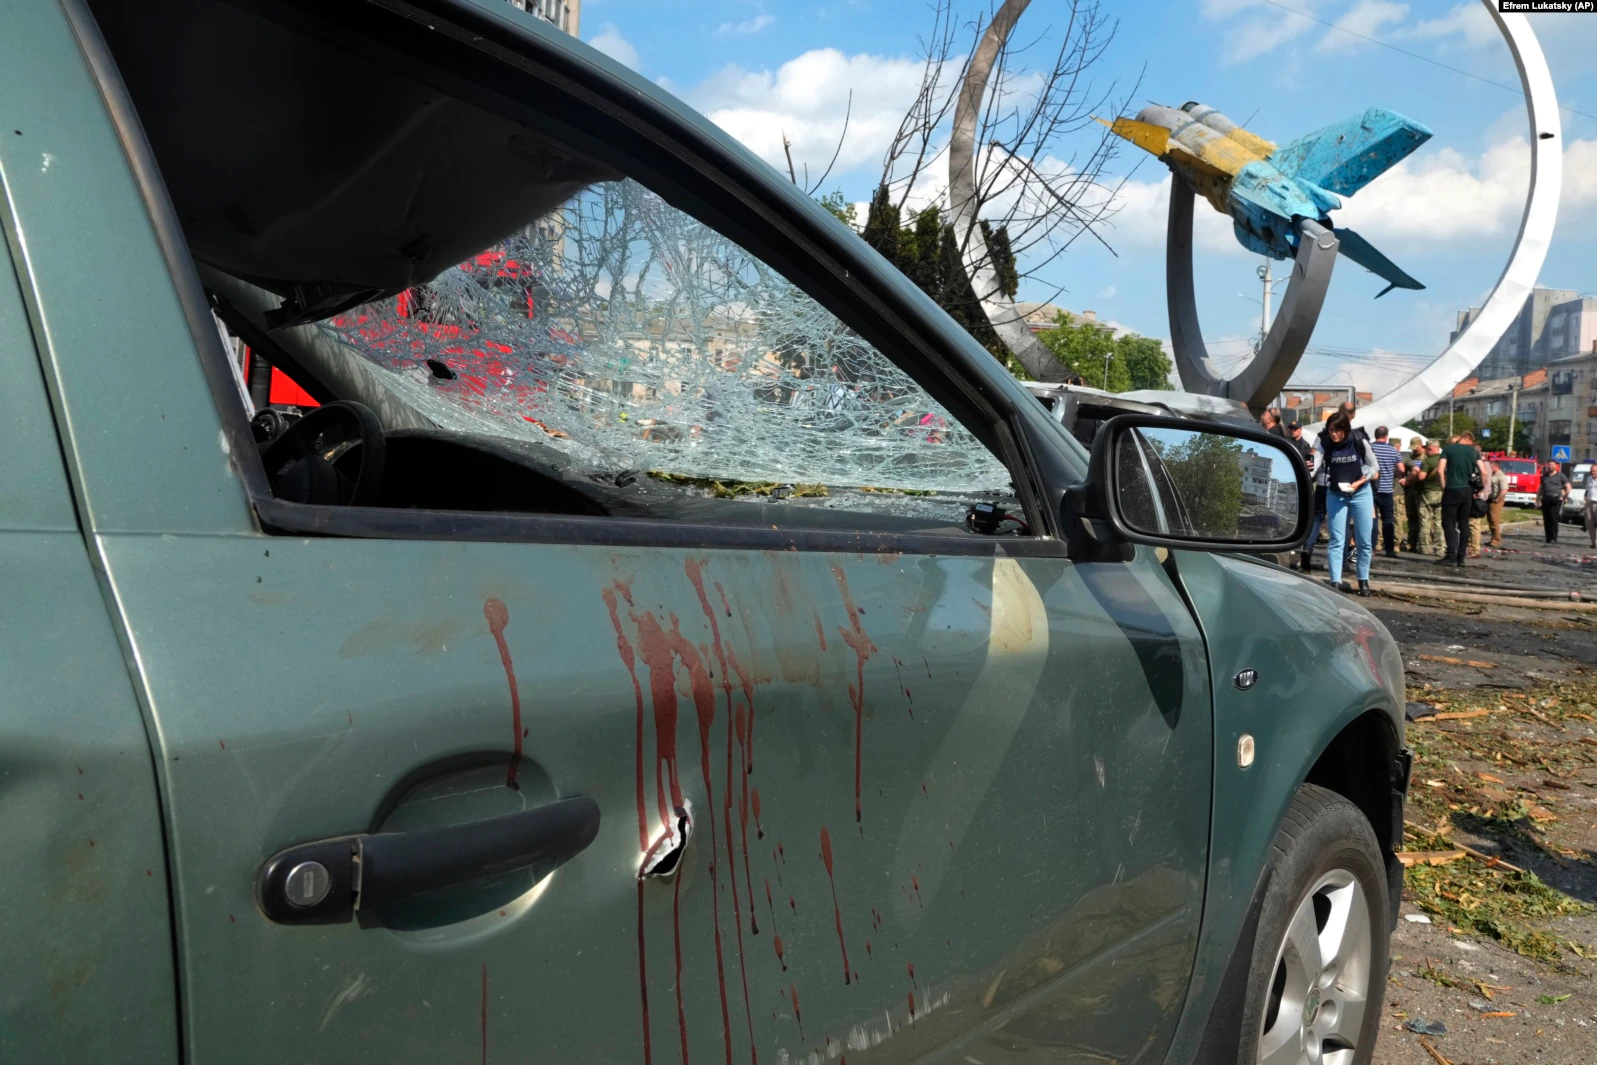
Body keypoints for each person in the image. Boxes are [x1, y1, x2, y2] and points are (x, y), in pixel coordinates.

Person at [1311, 410, 1378, 594]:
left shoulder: (1358, 440)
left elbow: (1374, 466)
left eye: (1338, 430)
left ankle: (1363, 581)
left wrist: (1361, 481)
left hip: (1361, 493)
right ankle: (1335, 582)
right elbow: (1313, 463)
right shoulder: (1326, 443)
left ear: (1345, 429)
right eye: (1331, 430)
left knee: (1364, 541)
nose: (1334, 434)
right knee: (1336, 540)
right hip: (1336, 494)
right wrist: (1306, 470)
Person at [1435, 430, 1481, 567]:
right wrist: (1480, 489)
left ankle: (1451, 555)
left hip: (1452, 489)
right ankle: (1461, 557)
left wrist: (1443, 486)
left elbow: (1440, 470)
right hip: (1467, 491)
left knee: (1448, 523)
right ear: (1470, 440)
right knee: (1464, 523)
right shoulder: (1474, 451)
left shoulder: (1448, 449)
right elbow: (1483, 472)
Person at [1369, 426, 1404, 559]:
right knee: (1388, 519)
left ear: (1375, 435)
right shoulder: (1393, 450)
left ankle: (1371, 547)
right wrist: (1393, 475)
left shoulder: (1370, 448)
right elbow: (1401, 469)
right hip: (1387, 489)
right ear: (1386, 436)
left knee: (1372, 519)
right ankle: (1389, 549)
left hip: (1371, 489)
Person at [1401, 444, 1425, 551]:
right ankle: (1412, 542)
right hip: (1410, 490)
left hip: (1421, 490)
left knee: (1422, 518)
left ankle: (1422, 543)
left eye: (1416, 449)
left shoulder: (1426, 457)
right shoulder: (1410, 457)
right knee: (1411, 517)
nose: (1414, 451)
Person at [1540, 460, 1571, 543]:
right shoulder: (1544, 476)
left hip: (1556, 500)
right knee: (1546, 520)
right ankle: (1548, 538)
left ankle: (1553, 538)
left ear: (1556, 466)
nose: (1550, 466)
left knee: (1553, 519)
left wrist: (1565, 496)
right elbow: (1541, 488)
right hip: (1546, 499)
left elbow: (1568, 486)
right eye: (1549, 465)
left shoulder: (1561, 476)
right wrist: (1537, 498)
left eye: (1551, 465)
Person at [1486, 459, 1508, 548]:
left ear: (1496, 466)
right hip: (1490, 499)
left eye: (1491, 467)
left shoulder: (1501, 476)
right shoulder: (1492, 475)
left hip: (1497, 499)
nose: (1490, 469)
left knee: (1494, 520)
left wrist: (1498, 499)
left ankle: (1496, 539)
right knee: (1490, 519)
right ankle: (1493, 538)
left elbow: (1504, 490)